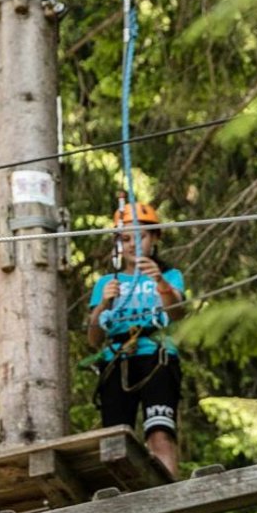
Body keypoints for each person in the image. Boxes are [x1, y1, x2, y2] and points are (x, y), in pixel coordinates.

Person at [86, 200, 186, 475]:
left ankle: (168, 492)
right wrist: (103, 304)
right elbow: (94, 339)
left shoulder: (170, 276)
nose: (133, 244)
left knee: (159, 433)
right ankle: (122, 494)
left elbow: (178, 313)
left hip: (157, 357)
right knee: (116, 442)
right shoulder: (106, 284)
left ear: (155, 238)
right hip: (117, 361)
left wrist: (161, 283)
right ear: (118, 244)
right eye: (126, 239)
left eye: (140, 237)